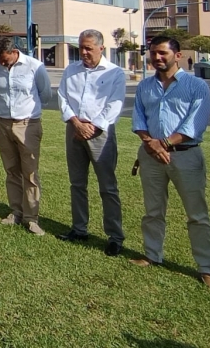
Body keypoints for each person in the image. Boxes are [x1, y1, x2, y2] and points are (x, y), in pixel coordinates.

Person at [131, 36, 210, 290]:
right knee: (153, 210)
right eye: (153, 53)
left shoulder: (196, 86)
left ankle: (206, 268)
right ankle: (152, 255)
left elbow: (195, 123)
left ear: (177, 55)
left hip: (185, 155)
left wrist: (165, 144)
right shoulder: (145, 86)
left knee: (197, 214)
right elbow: (138, 119)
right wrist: (150, 144)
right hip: (150, 154)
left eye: (162, 53)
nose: (157, 58)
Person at [57, 29, 126, 255]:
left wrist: (93, 126)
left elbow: (114, 105)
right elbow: (63, 97)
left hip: (101, 133)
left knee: (107, 187)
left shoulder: (115, 72)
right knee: (77, 184)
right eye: (81, 48)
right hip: (74, 130)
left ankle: (115, 237)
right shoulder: (71, 70)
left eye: (89, 48)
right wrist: (76, 123)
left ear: (101, 48)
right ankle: (79, 229)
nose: (84, 52)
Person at [0, 36, 52, 235]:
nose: (2, 63)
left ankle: (31, 217)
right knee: (11, 170)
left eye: (5, 60)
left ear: (14, 52)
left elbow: (46, 95)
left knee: (30, 172)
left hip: (28, 124)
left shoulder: (35, 66)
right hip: (3, 123)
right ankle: (16, 211)